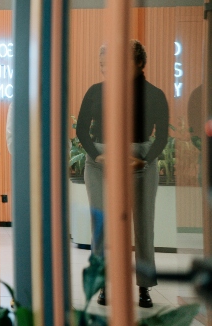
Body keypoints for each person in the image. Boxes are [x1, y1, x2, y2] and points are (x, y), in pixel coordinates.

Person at [75, 40, 169, 308]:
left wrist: (145, 161)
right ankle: (103, 284)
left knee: (143, 226)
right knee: (102, 227)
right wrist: (97, 155)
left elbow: (161, 137)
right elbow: (82, 129)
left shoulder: (155, 94)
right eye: (104, 64)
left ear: (140, 63)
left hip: (140, 161)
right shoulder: (96, 91)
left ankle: (144, 287)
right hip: (100, 163)